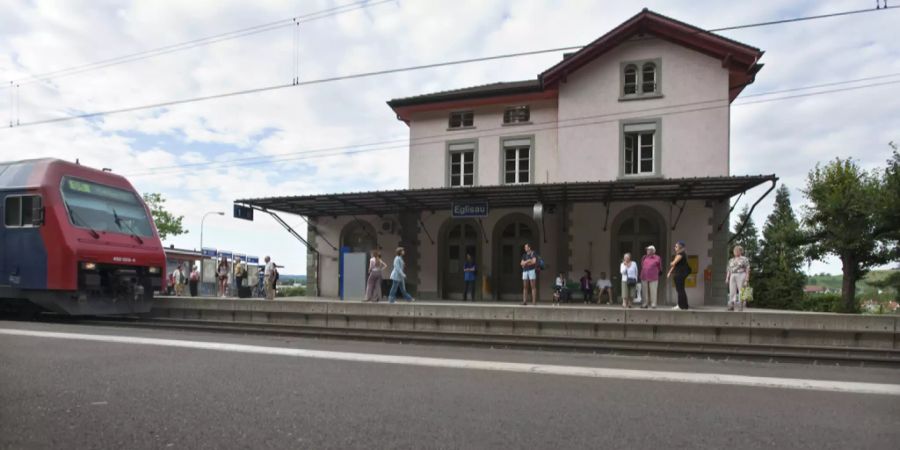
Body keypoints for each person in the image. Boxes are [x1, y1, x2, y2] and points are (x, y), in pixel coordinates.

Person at [667, 241, 691, 310]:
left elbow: (673, 263)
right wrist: (669, 272)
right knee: (681, 289)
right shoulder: (680, 254)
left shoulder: (681, 254)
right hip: (680, 273)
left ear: (680, 247)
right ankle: (684, 306)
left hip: (680, 274)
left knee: (680, 290)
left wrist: (671, 263)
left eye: (676, 246)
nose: (675, 248)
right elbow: (674, 265)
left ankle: (681, 305)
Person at [726, 245, 751, 311]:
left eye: (737, 250)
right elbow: (729, 269)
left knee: (741, 290)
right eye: (735, 250)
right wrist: (727, 277)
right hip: (732, 275)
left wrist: (746, 279)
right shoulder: (731, 260)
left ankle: (741, 305)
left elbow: (747, 269)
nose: (736, 252)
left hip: (741, 274)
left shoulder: (744, 259)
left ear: (741, 251)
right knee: (732, 290)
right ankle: (731, 304)